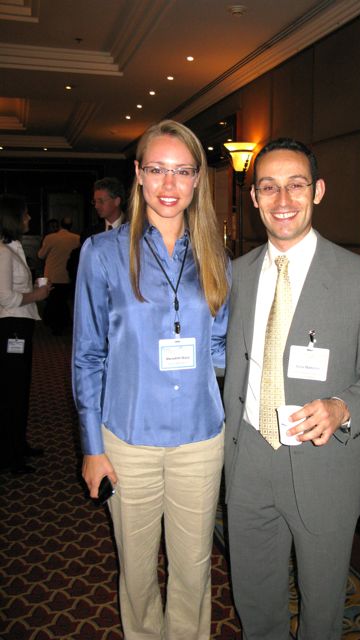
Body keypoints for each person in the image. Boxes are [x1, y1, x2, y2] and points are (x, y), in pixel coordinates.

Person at [223, 137, 360, 640]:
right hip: (248, 459)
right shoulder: (235, 276)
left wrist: (343, 406)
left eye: (296, 185)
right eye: (269, 187)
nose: (283, 199)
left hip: (325, 465)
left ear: (318, 191)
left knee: (322, 608)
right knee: (254, 599)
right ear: (254, 198)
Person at [72, 120, 229, 640]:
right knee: (137, 572)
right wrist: (92, 447)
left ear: (197, 179)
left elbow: (219, 349)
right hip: (128, 439)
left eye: (182, 172)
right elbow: (87, 356)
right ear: (138, 174)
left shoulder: (214, 254)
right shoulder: (103, 253)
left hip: (199, 439)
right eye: (158, 169)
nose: (169, 184)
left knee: (193, 571)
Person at [0, 194, 52, 474]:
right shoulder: (2, 252)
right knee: (11, 391)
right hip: (10, 328)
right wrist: (37, 295)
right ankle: (9, 455)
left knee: (19, 389)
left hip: (20, 325)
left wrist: (34, 291)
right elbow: (5, 298)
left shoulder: (13, 247)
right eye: (25, 214)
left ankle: (18, 444)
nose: (29, 218)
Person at [38, 216, 80, 335]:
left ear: (60, 225)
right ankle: (64, 323)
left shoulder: (50, 238)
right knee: (63, 301)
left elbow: (41, 255)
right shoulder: (77, 238)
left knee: (53, 301)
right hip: (68, 276)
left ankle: (55, 325)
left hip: (52, 275)